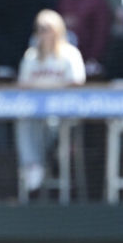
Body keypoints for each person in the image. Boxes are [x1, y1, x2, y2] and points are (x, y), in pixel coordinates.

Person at [15, 10, 86, 193]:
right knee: (24, 120)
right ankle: (34, 166)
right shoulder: (30, 56)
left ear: (58, 30)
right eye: (39, 29)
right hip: (35, 113)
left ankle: (41, 163)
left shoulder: (70, 54)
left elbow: (77, 84)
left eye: (47, 28)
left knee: (50, 125)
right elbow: (22, 86)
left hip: (62, 113)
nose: (43, 33)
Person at [56, 0, 111, 76]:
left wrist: (93, 58)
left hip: (88, 64)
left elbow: (101, 34)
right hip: (62, 64)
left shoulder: (97, 0)